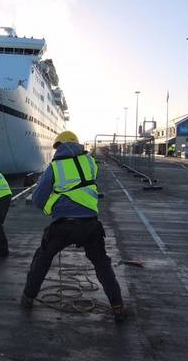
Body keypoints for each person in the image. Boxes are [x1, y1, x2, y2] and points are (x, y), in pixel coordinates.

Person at [20, 131, 126, 323]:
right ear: (76, 145)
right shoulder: (91, 163)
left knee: (42, 258)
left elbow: (37, 199)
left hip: (63, 225)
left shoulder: (55, 167)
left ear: (59, 146)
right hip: (90, 225)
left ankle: (28, 298)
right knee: (102, 264)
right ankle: (117, 306)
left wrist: (50, 207)